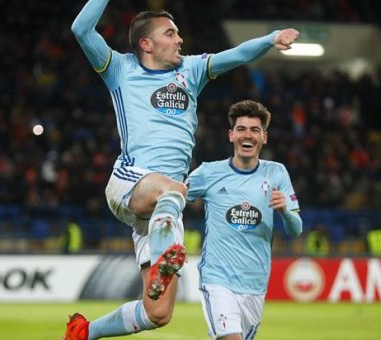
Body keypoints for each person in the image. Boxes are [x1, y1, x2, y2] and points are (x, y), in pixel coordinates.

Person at [66, 1, 299, 339]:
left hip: (163, 208)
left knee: (157, 313)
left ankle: (84, 333)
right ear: (147, 44)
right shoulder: (119, 69)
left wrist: (272, 38)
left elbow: (235, 55)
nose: (180, 40)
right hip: (131, 183)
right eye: (170, 33)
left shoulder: (190, 71)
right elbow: (81, 30)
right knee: (175, 189)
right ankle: (164, 255)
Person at [187, 100, 303, 339]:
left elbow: (296, 229)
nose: (247, 135)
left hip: (255, 285)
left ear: (264, 137)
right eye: (241, 129)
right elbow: (173, 196)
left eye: (254, 130)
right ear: (231, 135)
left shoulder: (277, 172)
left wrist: (285, 213)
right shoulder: (209, 173)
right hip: (217, 279)